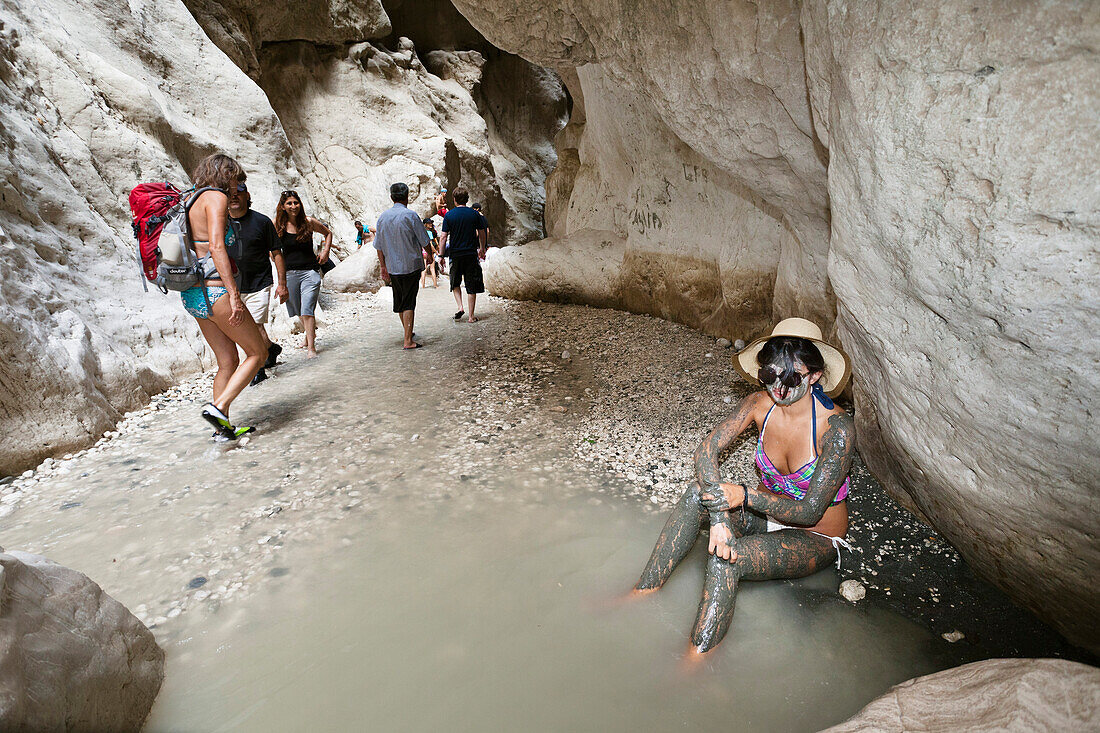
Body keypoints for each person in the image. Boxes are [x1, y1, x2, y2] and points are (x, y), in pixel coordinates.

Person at [632, 318, 855, 661]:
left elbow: (810, 511)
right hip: (768, 515)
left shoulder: (836, 429)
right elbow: (706, 449)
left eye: (792, 377)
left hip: (815, 536)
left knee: (727, 559)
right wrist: (721, 517)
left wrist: (744, 496)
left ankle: (697, 656)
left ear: (814, 376)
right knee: (696, 495)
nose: (778, 388)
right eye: (770, 375)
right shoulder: (757, 404)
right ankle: (643, 591)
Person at [181, 154, 266, 441]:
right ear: (225, 175)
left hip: (193, 294)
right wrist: (234, 295)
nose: (237, 187)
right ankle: (218, 408)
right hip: (215, 289)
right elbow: (216, 247)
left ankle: (223, 430)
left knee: (227, 361)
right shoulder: (215, 198)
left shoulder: (192, 199)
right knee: (258, 353)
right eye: (236, 179)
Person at [229, 182, 287, 385]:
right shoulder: (221, 223)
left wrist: (282, 284)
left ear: (247, 196)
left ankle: (258, 368)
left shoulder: (261, 222)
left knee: (253, 326)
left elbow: (277, 253)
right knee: (251, 328)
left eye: (239, 193)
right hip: (233, 286)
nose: (234, 197)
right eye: (231, 194)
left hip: (259, 283)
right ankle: (270, 349)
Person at [274, 190, 332, 359]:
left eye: (296, 202)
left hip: (310, 272)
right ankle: (308, 335)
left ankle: (311, 349)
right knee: (298, 309)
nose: (293, 206)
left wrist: (325, 251)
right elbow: (271, 247)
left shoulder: (308, 222)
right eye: (289, 203)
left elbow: (328, 233)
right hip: (290, 273)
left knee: (307, 308)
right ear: (283, 207)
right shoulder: (278, 226)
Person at [374, 182, 430, 349]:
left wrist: (383, 266)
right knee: (409, 302)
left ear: (392, 197)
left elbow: (379, 246)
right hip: (410, 266)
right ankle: (408, 341)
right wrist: (431, 255)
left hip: (392, 267)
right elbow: (424, 240)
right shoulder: (410, 216)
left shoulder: (382, 218)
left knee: (399, 301)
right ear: (407, 197)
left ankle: (407, 331)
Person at [439, 187, 488, 323]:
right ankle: (471, 316)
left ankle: (460, 307)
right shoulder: (474, 214)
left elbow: (443, 237)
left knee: (455, 282)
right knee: (471, 284)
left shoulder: (449, 215)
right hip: (470, 253)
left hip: (455, 254)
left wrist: (441, 255)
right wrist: (482, 248)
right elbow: (482, 232)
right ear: (467, 200)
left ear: (454, 200)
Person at [420, 217, 440, 289]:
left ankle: (423, 285)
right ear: (425, 224)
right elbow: (430, 244)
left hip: (423, 251)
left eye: (431, 222)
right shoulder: (429, 232)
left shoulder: (421, 232)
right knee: (432, 269)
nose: (431, 224)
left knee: (424, 269)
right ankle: (435, 285)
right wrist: (436, 252)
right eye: (429, 223)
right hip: (429, 252)